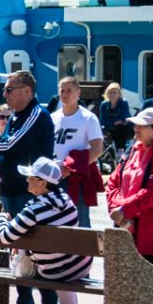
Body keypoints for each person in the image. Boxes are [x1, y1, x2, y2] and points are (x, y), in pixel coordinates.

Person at [0, 70, 56, 304]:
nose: (5, 94)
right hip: (12, 192)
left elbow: (6, 146)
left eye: (9, 89)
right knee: (19, 254)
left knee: (39, 255)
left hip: (30, 194)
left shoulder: (36, 115)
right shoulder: (16, 115)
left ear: (27, 91)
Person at [0, 157, 94, 304]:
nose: (26, 180)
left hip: (55, 271)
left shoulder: (34, 210)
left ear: (42, 182)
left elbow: (5, 237)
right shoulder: (66, 201)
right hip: (79, 265)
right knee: (56, 260)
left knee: (39, 265)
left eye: (30, 177)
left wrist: (1, 218)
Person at [106, 108, 153, 272]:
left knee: (149, 296)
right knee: (120, 292)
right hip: (124, 232)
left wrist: (124, 210)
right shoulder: (132, 150)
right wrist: (116, 210)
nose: (135, 128)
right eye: (135, 124)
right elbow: (113, 182)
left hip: (152, 239)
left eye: (141, 125)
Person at [50, 76, 105, 211]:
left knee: (79, 223)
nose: (65, 94)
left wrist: (70, 169)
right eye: (62, 91)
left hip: (76, 178)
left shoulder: (88, 118)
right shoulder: (53, 118)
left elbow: (97, 148)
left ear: (78, 93)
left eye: (69, 91)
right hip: (53, 176)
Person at [96, 82, 132, 167]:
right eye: (110, 92)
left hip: (124, 128)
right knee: (105, 129)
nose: (112, 94)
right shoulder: (104, 104)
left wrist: (114, 122)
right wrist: (114, 122)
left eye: (114, 92)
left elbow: (124, 117)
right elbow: (102, 120)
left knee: (120, 128)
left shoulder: (123, 102)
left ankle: (120, 151)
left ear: (119, 94)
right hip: (110, 127)